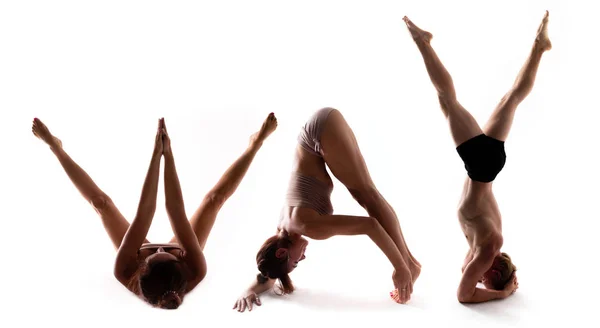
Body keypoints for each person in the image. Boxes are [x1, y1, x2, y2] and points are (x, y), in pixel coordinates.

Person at [32, 113, 278, 309]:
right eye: (166, 252)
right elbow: (175, 212)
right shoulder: (195, 269)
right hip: (173, 263)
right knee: (214, 201)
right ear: (181, 261)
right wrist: (167, 155)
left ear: (140, 266)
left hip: (147, 263)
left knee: (102, 204)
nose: (160, 246)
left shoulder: (124, 270)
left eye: (155, 253)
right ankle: (254, 144)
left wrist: (155, 155)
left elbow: (145, 214)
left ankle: (57, 149)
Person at [402, 11, 552, 303]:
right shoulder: (488, 248)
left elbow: (465, 271)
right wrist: (503, 293)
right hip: (482, 165)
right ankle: (423, 42)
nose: (481, 278)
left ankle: (538, 46)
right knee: (447, 98)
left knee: (510, 99)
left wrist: (499, 283)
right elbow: (464, 295)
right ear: (494, 272)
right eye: (488, 279)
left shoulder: (485, 248)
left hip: (488, 165)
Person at [233, 107, 421, 312]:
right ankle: (408, 262)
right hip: (317, 131)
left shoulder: (309, 227)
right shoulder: (283, 226)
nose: (302, 258)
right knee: (363, 193)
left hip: (320, 132)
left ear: (281, 252)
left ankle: (408, 265)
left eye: (296, 262)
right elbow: (270, 273)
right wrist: (248, 291)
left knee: (367, 194)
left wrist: (399, 268)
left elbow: (371, 225)